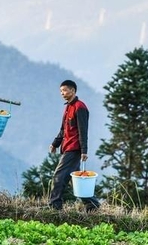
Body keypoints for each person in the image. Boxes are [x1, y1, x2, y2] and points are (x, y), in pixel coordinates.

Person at [48, 80, 101, 212]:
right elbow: (63, 130)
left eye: (64, 90)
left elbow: (83, 130)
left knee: (58, 176)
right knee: (76, 179)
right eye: (61, 91)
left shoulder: (80, 107)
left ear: (73, 91)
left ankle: (55, 206)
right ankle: (92, 204)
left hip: (74, 149)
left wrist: (84, 150)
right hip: (66, 147)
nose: (62, 93)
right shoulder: (67, 107)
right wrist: (55, 143)